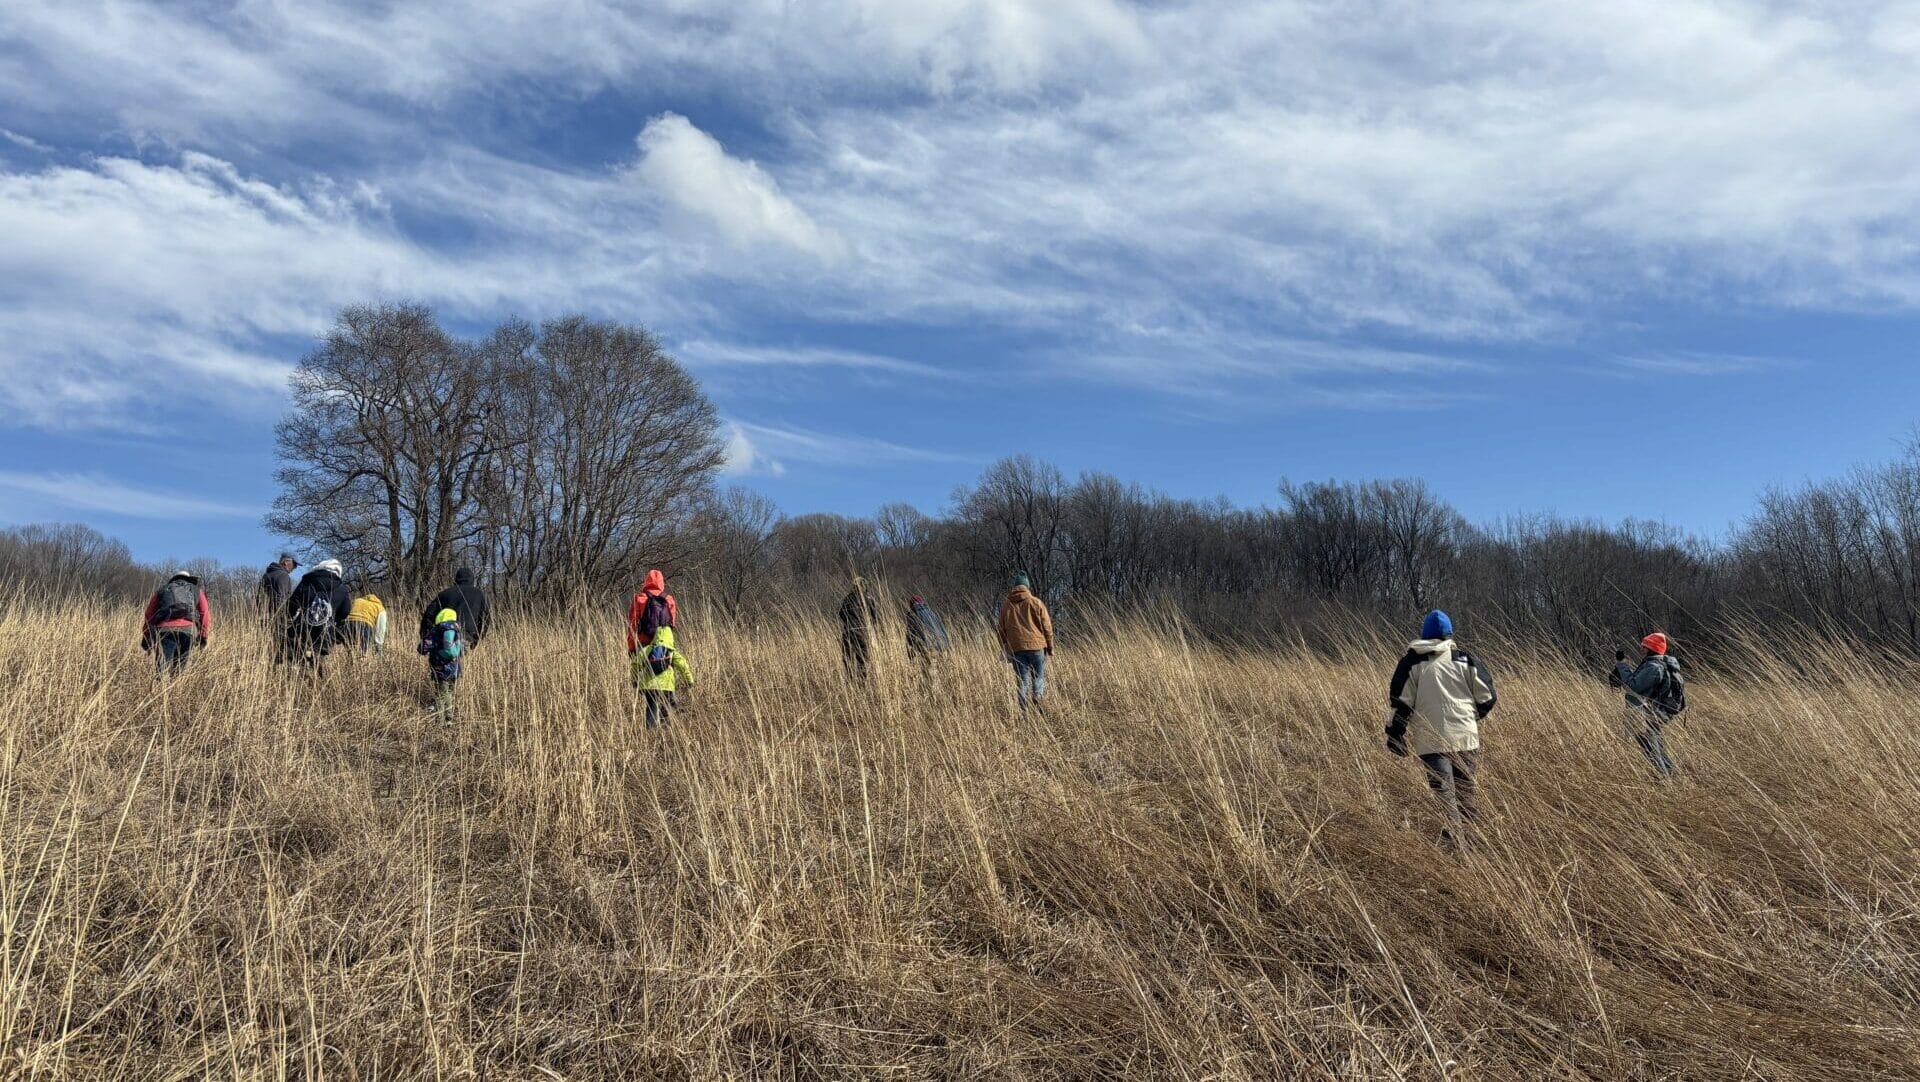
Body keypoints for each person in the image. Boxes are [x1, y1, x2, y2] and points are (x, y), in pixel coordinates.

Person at [1385, 610, 1498, 843]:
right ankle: (1471, 845)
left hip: (1431, 742)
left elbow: (1400, 704)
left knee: (1444, 795)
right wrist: (1470, 718)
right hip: (1466, 738)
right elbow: (1487, 697)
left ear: (1424, 634)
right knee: (1465, 792)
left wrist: (1395, 735)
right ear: (1449, 634)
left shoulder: (1411, 663)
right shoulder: (1465, 660)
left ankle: (1455, 847)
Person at [1611, 632, 1686, 778]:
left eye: (1644, 646)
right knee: (1654, 741)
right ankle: (1672, 774)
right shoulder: (1657, 663)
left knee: (1648, 742)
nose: (1642, 649)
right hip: (1661, 710)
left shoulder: (1653, 666)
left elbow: (1633, 686)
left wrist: (1622, 665)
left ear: (1651, 648)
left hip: (1657, 711)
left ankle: (1664, 776)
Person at [282, 558, 353, 671]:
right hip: (325, 634)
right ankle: (316, 681)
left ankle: (295, 675)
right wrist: (334, 620)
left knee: (293, 660)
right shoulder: (342, 588)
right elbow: (345, 611)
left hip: (302, 630)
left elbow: (292, 603)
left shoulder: (307, 581)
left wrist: (288, 619)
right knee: (317, 664)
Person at [998, 571, 1054, 710]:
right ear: (1027, 586)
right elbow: (1047, 626)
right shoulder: (1036, 602)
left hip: (1016, 649)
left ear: (1014, 587)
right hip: (1037, 647)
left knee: (1022, 681)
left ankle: (1023, 711)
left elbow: (1000, 630)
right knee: (1038, 677)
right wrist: (1050, 647)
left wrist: (1006, 647)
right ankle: (1038, 698)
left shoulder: (1006, 606)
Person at [142, 569, 210, 677]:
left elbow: (149, 614)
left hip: (165, 630)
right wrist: (203, 636)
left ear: (174, 579)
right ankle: (176, 688)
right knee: (179, 668)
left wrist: (146, 637)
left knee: (162, 667)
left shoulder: (162, 590)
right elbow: (204, 613)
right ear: (189, 579)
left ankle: (160, 690)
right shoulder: (197, 591)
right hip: (188, 630)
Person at [631, 624, 696, 730]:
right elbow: (683, 666)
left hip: (649, 686)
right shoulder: (671, 651)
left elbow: (635, 663)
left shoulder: (648, 649)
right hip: (666, 685)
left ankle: (650, 731)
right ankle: (665, 728)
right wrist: (689, 681)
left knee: (651, 706)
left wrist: (634, 679)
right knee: (667, 705)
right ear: (670, 637)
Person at [419, 567, 490, 647]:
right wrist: (477, 639)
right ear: (472, 579)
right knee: (461, 657)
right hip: (467, 637)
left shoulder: (444, 594)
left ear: (456, 579)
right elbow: (485, 619)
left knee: (443, 657)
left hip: (444, 635)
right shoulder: (478, 594)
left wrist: (429, 634)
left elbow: (428, 615)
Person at [417, 607, 464, 722]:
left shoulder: (435, 631)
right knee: (450, 692)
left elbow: (422, 648)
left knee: (440, 693)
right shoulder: (458, 631)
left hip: (440, 669)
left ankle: (440, 720)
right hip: (455, 669)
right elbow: (462, 650)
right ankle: (449, 718)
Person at [625, 569, 679, 656]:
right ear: (661, 583)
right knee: (664, 669)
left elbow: (632, 625)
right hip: (664, 645)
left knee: (642, 669)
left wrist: (631, 648)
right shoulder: (669, 599)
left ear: (646, 582)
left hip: (643, 645)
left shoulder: (639, 598)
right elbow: (671, 625)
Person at [905, 594, 952, 690]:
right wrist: (948, 646)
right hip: (943, 646)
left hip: (929, 647)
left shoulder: (913, 615)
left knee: (929, 674)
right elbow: (943, 629)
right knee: (936, 673)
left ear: (912, 604)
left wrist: (911, 652)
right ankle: (937, 695)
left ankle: (932, 698)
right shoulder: (932, 613)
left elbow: (911, 635)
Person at [838, 576, 880, 683]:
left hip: (848, 633)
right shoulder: (869, 599)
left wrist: (848, 622)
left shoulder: (847, 599)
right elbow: (875, 618)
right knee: (863, 660)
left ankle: (850, 683)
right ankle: (862, 684)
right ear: (865, 587)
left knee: (848, 660)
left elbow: (841, 614)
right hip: (863, 632)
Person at [345, 589, 386, 655]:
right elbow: (381, 628)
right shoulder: (380, 608)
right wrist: (379, 647)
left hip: (348, 625)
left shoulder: (357, 601)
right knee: (363, 653)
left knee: (351, 652)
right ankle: (362, 662)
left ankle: (351, 663)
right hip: (364, 625)